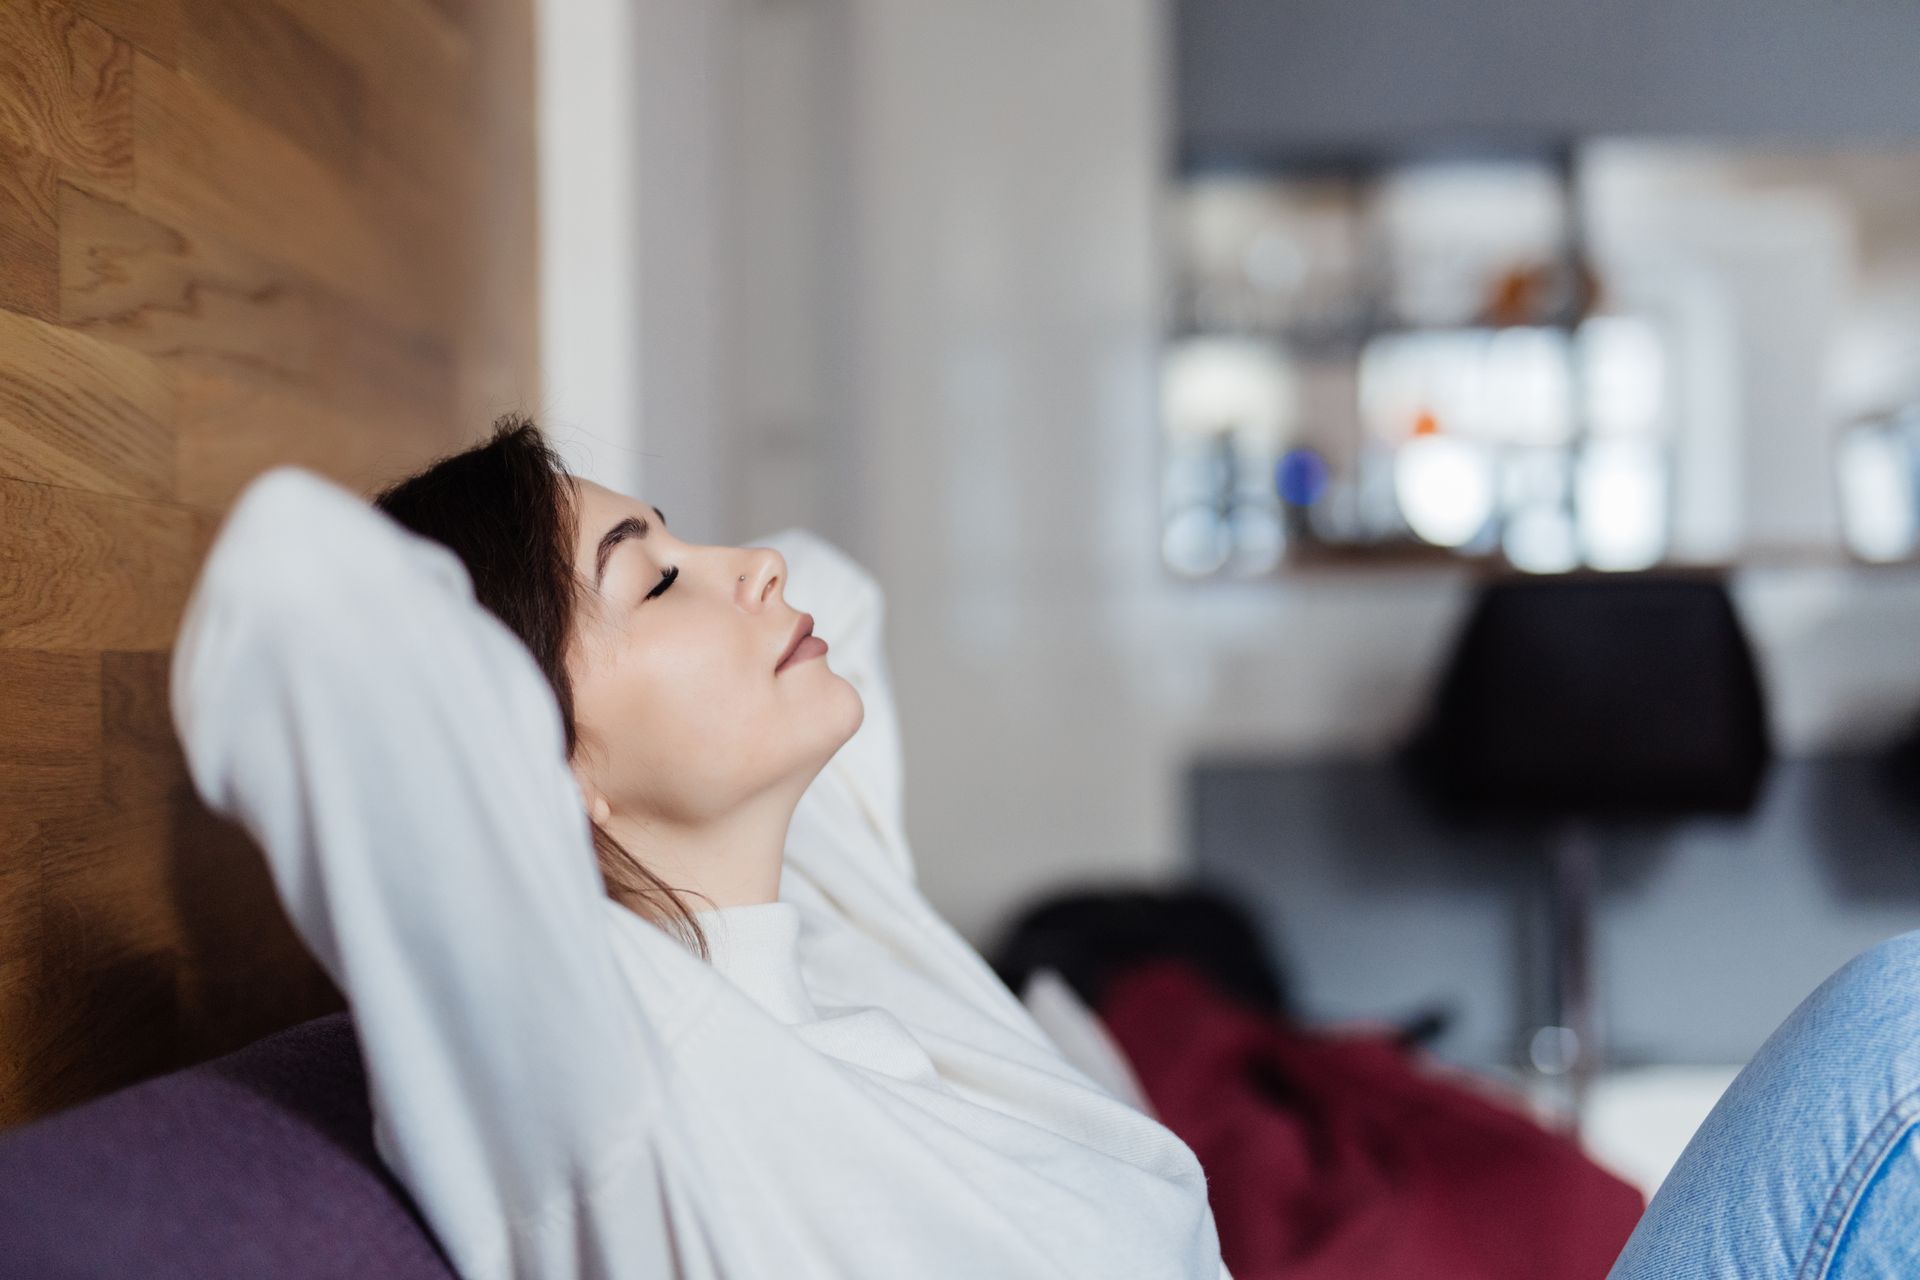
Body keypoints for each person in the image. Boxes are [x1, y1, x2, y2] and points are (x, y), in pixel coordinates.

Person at [169, 416, 1232, 1280]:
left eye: (680, 545)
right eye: (657, 581)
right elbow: (298, 594)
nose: (760, 565)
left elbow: (836, 583)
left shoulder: (827, 896)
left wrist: (650, 581)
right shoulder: (605, 1059)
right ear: (530, 753)